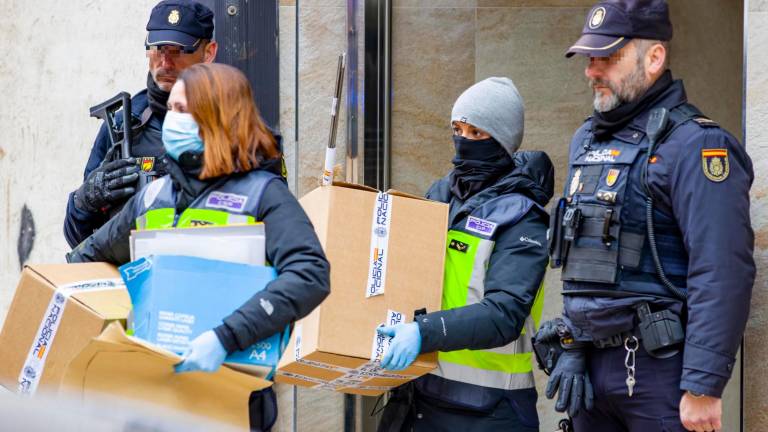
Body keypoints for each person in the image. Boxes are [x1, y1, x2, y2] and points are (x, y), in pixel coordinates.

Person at [67, 63, 330, 432]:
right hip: (151, 395)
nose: (170, 120)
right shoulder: (153, 198)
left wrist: (225, 337)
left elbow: (310, 275)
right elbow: (85, 260)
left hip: (230, 394)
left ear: (214, 116)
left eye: (180, 110)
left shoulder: (262, 194)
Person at [536, 1, 755, 431]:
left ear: (654, 58)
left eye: (608, 57)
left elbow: (722, 269)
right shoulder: (587, 139)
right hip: (589, 374)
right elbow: (583, 259)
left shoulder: (696, 145)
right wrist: (574, 345)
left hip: (660, 374)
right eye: (589, 58)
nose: (592, 70)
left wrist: (703, 385)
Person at [377, 77, 554, 431]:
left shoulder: (522, 217)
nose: (463, 142)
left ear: (502, 141)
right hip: (418, 399)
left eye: (477, 133)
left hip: (488, 411)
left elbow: (504, 314)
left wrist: (423, 332)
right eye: (458, 129)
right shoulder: (441, 194)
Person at [63, 0, 218, 248]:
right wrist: (85, 201)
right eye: (158, 48)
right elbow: (80, 243)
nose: (165, 62)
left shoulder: (236, 124)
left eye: (177, 50)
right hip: (132, 278)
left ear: (208, 52)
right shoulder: (122, 126)